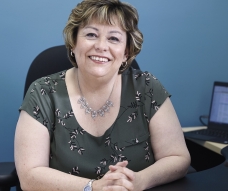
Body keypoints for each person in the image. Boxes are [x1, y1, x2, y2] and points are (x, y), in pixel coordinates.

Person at [14, 0, 191, 190]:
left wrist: (139, 181)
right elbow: (30, 176)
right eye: (91, 34)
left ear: (126, 52)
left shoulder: (147, 88)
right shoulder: (43, 93)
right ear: (73, 43)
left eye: (113, 38)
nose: (101, 46)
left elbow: (178, 158)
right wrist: (94, 187)